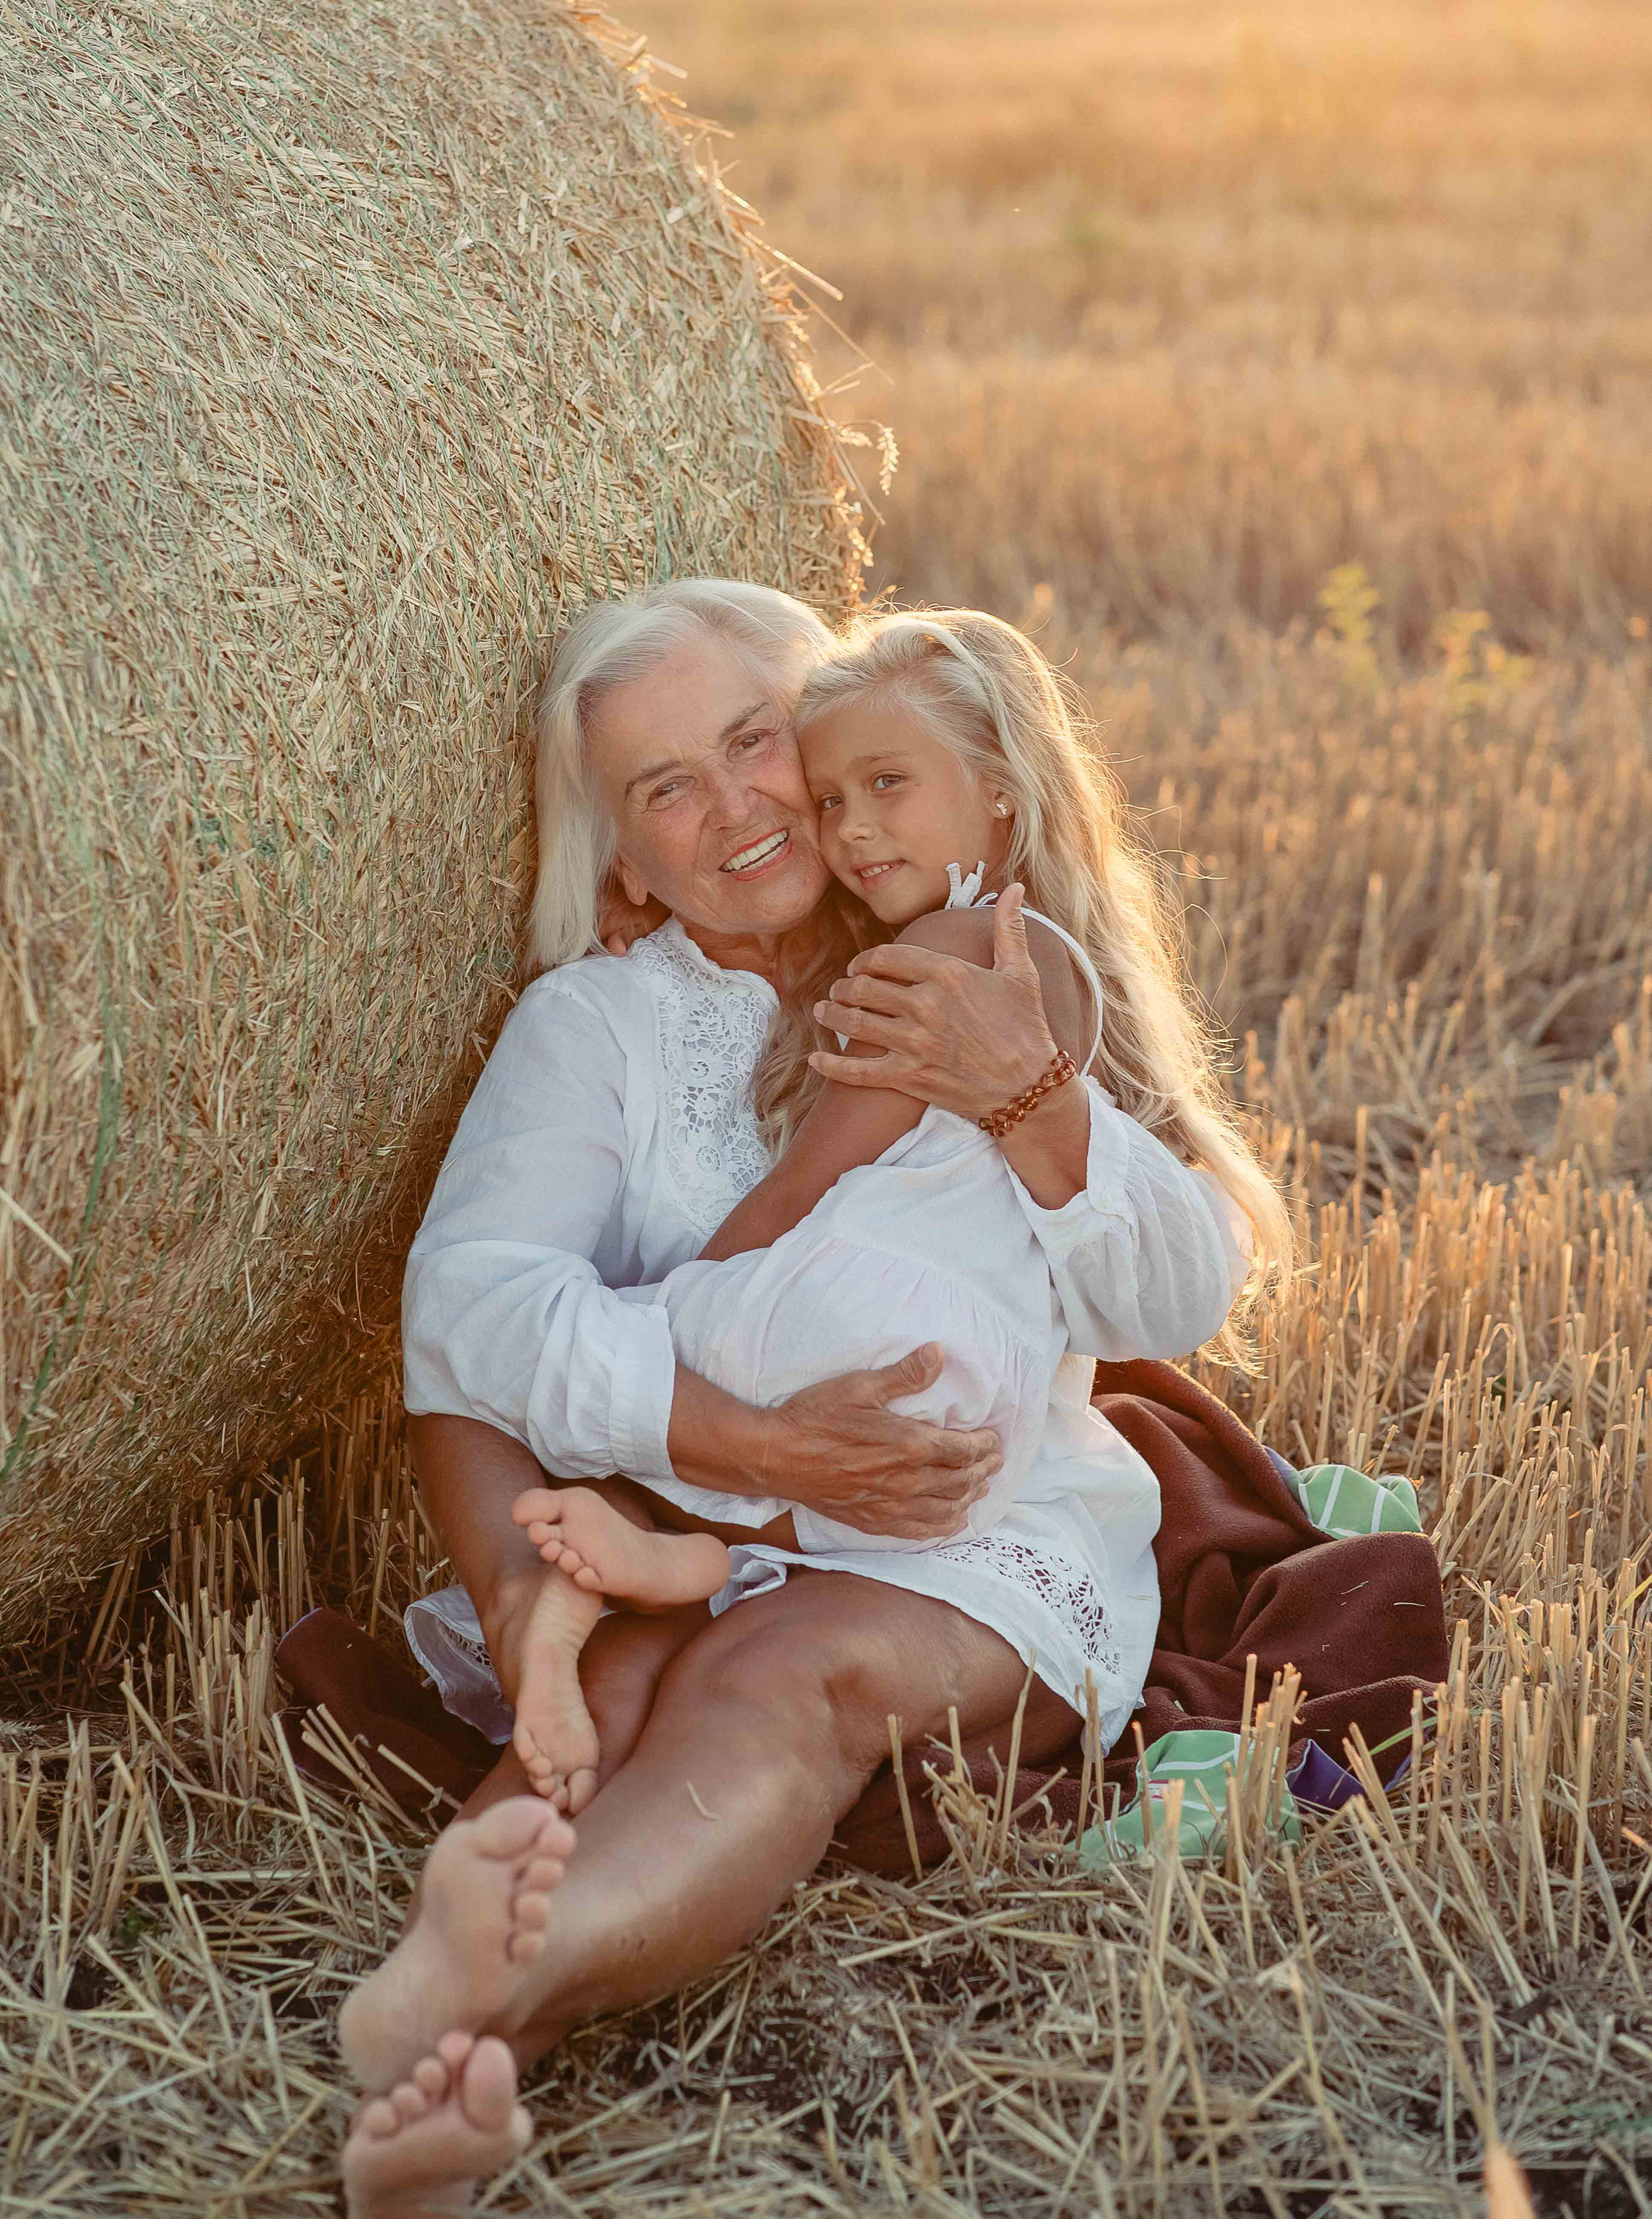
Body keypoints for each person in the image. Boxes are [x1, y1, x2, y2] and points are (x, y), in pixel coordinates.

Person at [336, 579, 1284, 2216]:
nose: (740, 811)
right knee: (621, 1685)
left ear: (838, 735)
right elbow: (473, 1312)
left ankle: (469, 2005)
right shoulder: (597, 1028)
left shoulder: (982, 955)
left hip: (966, 1518)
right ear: (624, 859)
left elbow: (1175, 1296)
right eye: (663, 791)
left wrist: (1034, 1097)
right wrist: (743, 1438)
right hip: (712, 1504)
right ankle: (467, 2022)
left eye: (755, 744)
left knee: (786, 1667)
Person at [502, 609, 1289, 1804]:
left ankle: (673, 1557)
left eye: (884, 787)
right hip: (921, 1358)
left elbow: (806, 1178)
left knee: (782, 1419)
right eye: (828, 800)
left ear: (1003, 794)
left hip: (877, 1333)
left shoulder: (952, 956)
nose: (847, 829)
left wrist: (694, 1292)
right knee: (890, 1463)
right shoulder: (980, 945)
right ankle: (683, 1560)